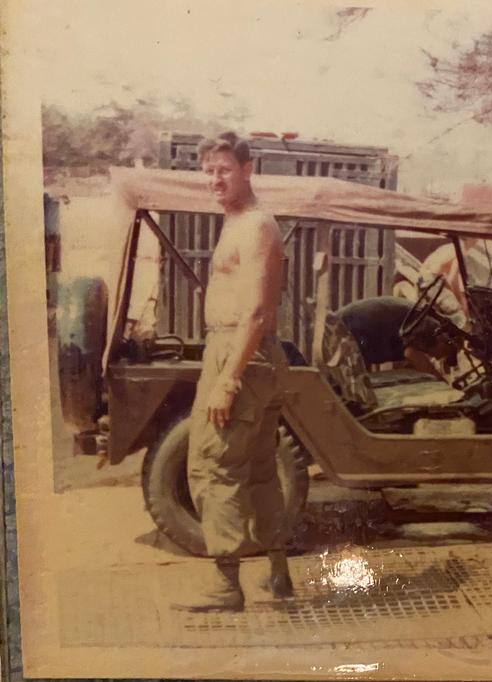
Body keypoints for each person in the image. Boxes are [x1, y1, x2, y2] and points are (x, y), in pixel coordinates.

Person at [173, 132, 294, 611]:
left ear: (247, 170)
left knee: (213, 465)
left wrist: (228, 378)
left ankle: (226, 587)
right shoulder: (240, 221)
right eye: (208, 170)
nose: (214, 178)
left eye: (223, 168)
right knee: (261, 470)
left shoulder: (257, 225)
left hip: (241, 352)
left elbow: (259, 312)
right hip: (243, 352)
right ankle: (279, 578)